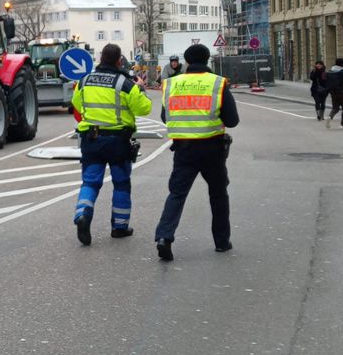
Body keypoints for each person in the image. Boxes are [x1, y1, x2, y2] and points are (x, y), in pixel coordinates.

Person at [154, 44, 240, 261]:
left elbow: (166, 117)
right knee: (218, 194)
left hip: (183, 150)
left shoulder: (172, 83)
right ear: (208, 59)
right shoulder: (217, 83)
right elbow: (232, 120)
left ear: (186, 61)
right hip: (212, 149)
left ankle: (164, 237)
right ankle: (221, 242)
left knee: (177, 194)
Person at [69, 43, 152, 246]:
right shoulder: (125, 83)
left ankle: (83, 214)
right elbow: (144, 109)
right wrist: (141, 88)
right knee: (121, 183)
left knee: (90, 182)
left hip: (91, 140)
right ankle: (120, 227)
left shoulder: (84, 81)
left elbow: (77, 104)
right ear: (118, 61)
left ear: (100, 58)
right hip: (117, 142)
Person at [324, 57, 343, 128]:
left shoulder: (330, 72)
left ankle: (330, 116)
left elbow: (326, 82)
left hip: (333, 92)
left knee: (335, 107)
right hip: (342, 92)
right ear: (342, 64)